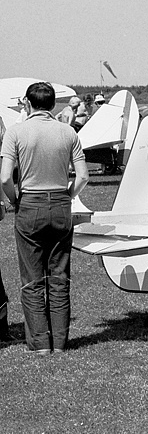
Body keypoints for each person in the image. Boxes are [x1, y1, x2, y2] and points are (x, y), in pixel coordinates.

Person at [0, 82, 89, 353]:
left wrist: (14, 199)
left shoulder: (16, 132)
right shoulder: (68, 132)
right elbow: (83, 176)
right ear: (52, 105)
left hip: (29, 205)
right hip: (61, 203)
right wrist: (68, 196)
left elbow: (5, 177)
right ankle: (60, 343)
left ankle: (39, 343)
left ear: (27, 104)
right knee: (59, 276)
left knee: (32, 277)